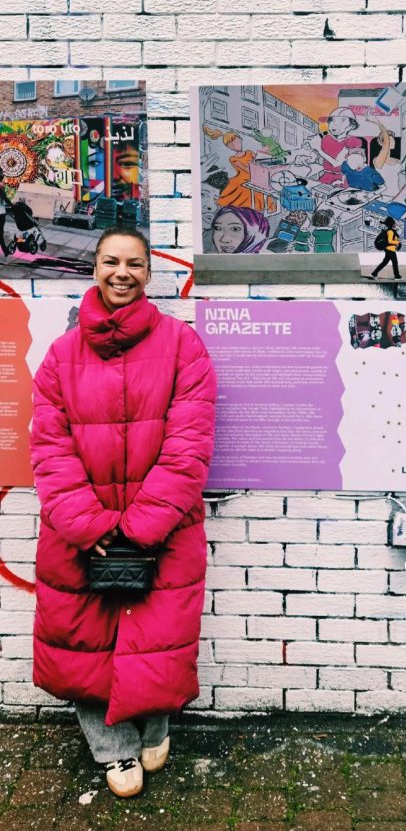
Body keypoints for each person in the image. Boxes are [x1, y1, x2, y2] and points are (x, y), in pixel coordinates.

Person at [31, 228, 216, 799]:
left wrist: (140, 529)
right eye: (111, 261)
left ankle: (155, 724)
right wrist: (90, 526)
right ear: (95, 269)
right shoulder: (61, 357)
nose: (122, 273)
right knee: (85, 646)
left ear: (147, 273)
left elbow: (189, 445)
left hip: (162, 530)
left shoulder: (184, 346)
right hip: (77, 531)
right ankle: (112, 750)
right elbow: (49, 448)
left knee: (159, 638)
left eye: (134, 263)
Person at [367, 216, 402, 280]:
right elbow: (390, 241)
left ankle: (374, 273)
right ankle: (397, 276)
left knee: (385, 262)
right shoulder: (390, 231)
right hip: (390, 249)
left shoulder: (391, 230)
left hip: (390, 249)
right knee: (394, 262)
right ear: (391, 223)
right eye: (394, 223)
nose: (395, 224)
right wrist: (397, 242)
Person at [0, 165, 10, 257]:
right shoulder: (0, 189)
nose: (4, 182)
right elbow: (6, 199)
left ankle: (5, 250)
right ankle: (5, 250)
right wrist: (13, 206)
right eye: (3, 180)